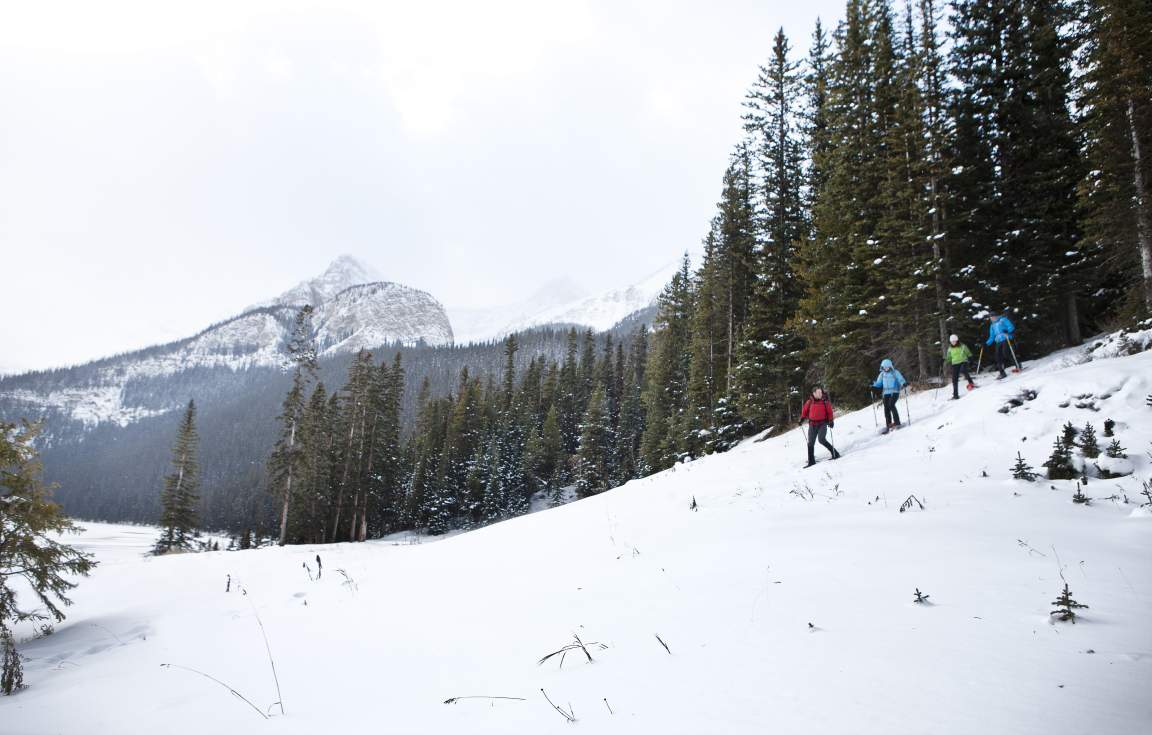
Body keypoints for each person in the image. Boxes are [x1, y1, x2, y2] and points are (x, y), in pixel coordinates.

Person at [799, 386, 840, 467]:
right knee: (810, 442)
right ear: (814, 393)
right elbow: (804, 411)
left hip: (822, 424)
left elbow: (829, 412)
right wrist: (802, 419)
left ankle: (835, 453)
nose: (820, 394)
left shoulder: (825, 401)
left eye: (821, 392)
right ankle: (811, 461)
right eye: (818, 392)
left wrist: (831, 421)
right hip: (812, 424)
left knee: (821, 439)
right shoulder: (809, 402)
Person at [872, 358, 907, 432]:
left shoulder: (895, 372)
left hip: (894, 392)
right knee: (886, 408)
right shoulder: (882, 374)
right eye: (884, 367)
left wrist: (903, 383)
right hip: (886, 393)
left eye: (887, 367)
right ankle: (889, 424)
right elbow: (879, 383)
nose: (886, 368)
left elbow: (900, 379)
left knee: (891, 405)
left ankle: (897, 422)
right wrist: (873, 385)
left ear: (890, 366)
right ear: (882, 367)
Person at [985, 313, 1016, 379]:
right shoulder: (992, 325)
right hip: (998, 340)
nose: (992, 318)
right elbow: (992, 336)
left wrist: (1007, 330)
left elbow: (1011, 326)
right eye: (991, 318)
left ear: (996, 316)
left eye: (993, 317)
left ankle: (1017, 364)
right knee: (997, 357)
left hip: (1006, 337)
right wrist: (986, 343)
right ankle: (1002, 373)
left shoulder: (1003, 320)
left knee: (1006, 353)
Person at [945, 334, 975, 400]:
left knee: (963, 370)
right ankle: (956, 395)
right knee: (954, 378)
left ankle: (971, 383)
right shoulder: (950, 349)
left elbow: (968, 353)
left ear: (957, 340)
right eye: (952, 342)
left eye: (954, 341)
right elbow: (949, 358)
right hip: (955, 363)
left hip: (963, 361)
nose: (953, 343)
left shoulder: (963, 346)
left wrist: (971, 358)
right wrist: (944, 360)